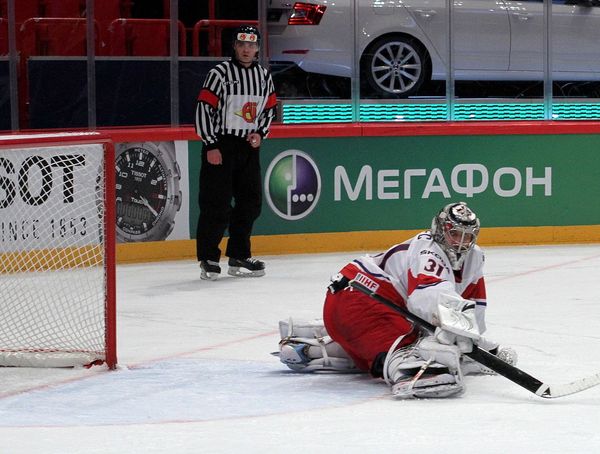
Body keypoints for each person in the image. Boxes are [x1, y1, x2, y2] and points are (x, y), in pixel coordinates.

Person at [277, 202, 517, 398]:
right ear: (439, 229)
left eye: (467, 237)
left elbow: (475, 308)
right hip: (359, 298)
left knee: (395, 345)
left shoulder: (474, 258)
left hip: (351, 307)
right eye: (454, 234)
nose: (460, 243)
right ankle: (410, 373)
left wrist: (472, 340)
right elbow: (427, 296)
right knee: (414, 346)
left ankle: (313, 348)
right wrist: (459, 337)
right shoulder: (427, 249)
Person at [194, 25, 277, 280]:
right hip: (222, 145)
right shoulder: (219, 73)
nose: (246, 49)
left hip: (248, 147)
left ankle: (239, 254)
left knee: (250, 203)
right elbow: (203, 109)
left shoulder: (263, 76)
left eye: (251, 45)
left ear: (257, 48)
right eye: (242, 44)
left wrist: (260, 133)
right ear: (235, 46)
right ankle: (208, 257)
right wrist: (211, 144)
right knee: (215, 203)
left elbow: (269, 109)